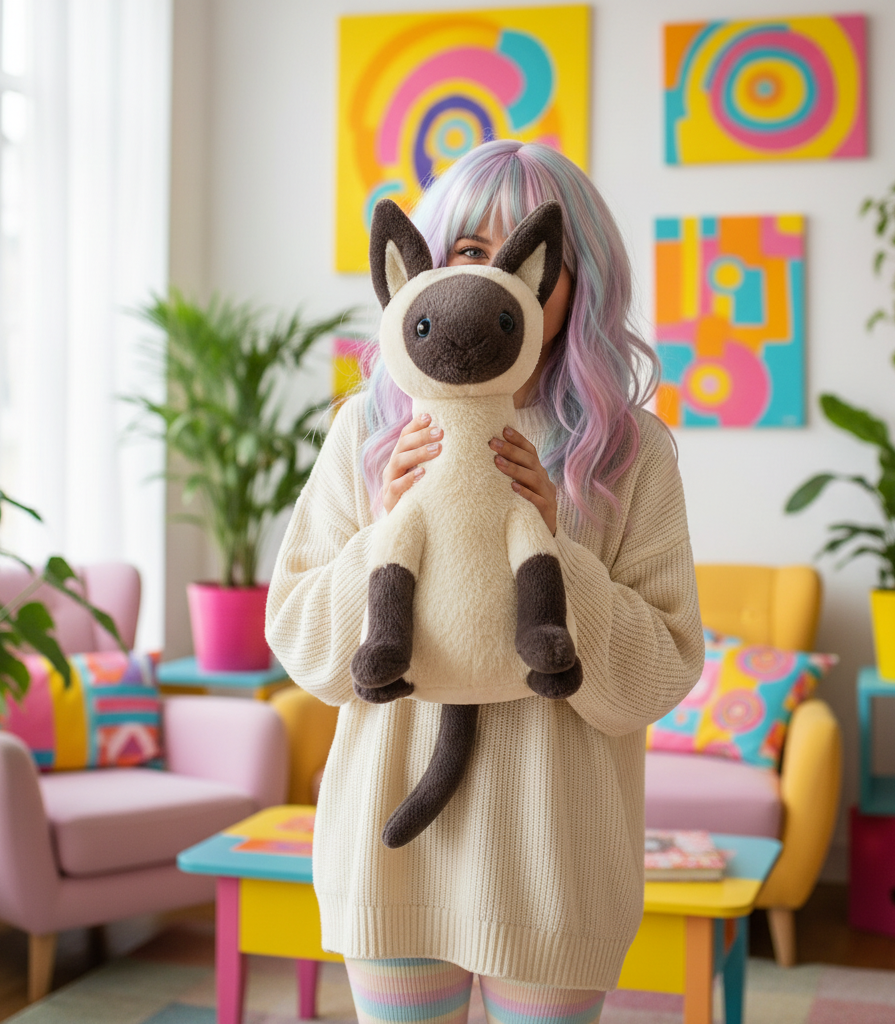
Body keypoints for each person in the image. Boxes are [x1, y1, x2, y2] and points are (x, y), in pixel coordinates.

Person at [265, 139, 704, 1024]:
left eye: (525, 258)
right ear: (424, 270)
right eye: (469, 252)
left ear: (576, 283)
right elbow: (304, 642)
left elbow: (662, 667)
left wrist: (555, 546)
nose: (495, 279)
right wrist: (388, 534)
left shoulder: (630, 452)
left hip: (555, 865)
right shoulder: (367, 432)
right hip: (392, 846)